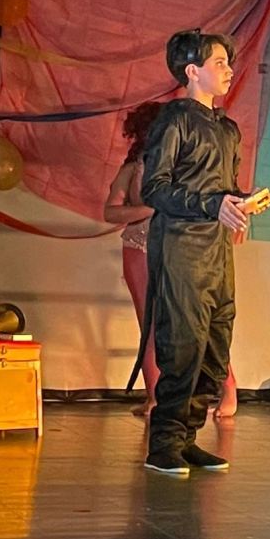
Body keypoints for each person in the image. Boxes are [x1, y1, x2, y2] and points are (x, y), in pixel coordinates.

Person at [140, 29, 251, 476]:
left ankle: (187, 439)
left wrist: (239, 204)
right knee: (183, 345)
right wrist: (210, 205)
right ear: (192, 71)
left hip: (217, 251)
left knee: (215, 347)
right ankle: (164, 444)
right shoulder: (174, 120)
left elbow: (221, 188)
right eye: (219, 62)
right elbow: (154, 188)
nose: (228, 70)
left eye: (228, 62)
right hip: (182, 248)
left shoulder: (227, 129)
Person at [109, 103, 239, 418]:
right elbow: (110, 211)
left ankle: (227, 389)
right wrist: (150, 208)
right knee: (151, 325)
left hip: (181, 247)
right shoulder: (134, 168)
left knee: (200, 320)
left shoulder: (185, 164)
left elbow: (206, 199)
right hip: (140, 246)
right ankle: (156, 397)